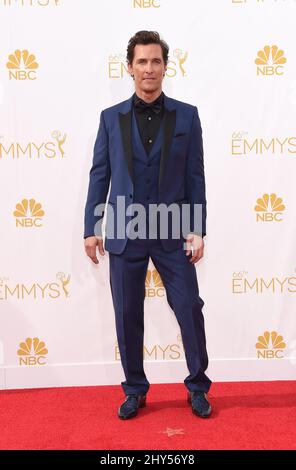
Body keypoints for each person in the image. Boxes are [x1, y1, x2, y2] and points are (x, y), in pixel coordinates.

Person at [84, 31, 212, 420]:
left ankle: (198, 386)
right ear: (130, 68)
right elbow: (99, 174)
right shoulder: (110, 118)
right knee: (126, 313)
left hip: (173, 230)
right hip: (125, 231)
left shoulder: (187, 115)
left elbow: (195, 176)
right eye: (141, 61)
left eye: (156, 61)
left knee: (189, 306)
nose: (149, 69)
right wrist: (93, 226)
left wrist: (197, 228)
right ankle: (135, 389)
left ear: (165, 67)